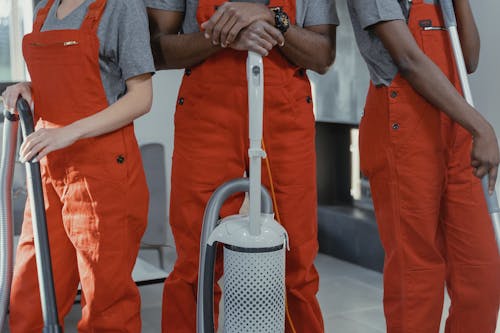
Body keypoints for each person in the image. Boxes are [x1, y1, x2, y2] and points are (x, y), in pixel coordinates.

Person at [146, 1, 338, 332]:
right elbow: (157, 50)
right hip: (207, 113)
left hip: (286, 114)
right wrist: (225, 35)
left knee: (297, 261)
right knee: (196, 260)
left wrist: (272, 19)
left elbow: (323, 56)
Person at [1, 0, 154, 331]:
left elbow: (141, 97)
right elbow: (57, 85)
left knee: (106, 304)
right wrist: (28, 89)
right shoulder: (45, 8)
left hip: (102, 174)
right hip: (48, 168)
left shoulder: (121, 8)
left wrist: (70, 133)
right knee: (31, 292)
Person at [347, 0, 500, 332]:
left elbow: (468, 60)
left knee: (482, 274)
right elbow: (408, 60)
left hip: (456, 132)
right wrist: (481, 128)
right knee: (416, 280)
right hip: (403, 129)